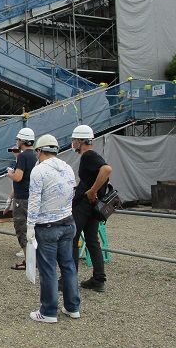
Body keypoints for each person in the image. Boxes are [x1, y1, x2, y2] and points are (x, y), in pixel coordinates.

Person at [27, 134, 80, 323]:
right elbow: (71, 193)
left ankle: (49, 311)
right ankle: (72, 307)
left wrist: (30, 226)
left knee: (48, 268)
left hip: (46, 225)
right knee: (68, 266)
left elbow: (34, 201)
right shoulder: (67, 168)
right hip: (67, 222)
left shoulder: (39, 171)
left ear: (39, 151)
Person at [71, 125, 112, 292]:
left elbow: (106, 169)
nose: (72, 143)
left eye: (74, 140)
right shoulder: (91, 157)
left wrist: (92, 190)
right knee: (92, 239)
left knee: (72, 239)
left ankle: (69, 278)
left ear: (81, 141)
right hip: (93, 206)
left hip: (84, 205)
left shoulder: (88, 155)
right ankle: (98, 278)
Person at [7, 127, 37, 270]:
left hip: (22, 198)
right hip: (32, 196)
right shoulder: (36, 155)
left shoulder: (23, 156)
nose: (17, 142)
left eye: (18, 140)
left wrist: (10, 174)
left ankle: (28, 262)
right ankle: (34, 259)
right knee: (32, 228)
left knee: (22, 228)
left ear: (22, 141)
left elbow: (18, 177)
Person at [4, 144, 24, 258]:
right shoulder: (18, 163)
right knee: (20, 225)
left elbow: (17, 180)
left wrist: (11, 174)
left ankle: (25, 249)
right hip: (18, 195)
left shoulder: (21, 163)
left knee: (21, 224)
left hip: (21, 198)